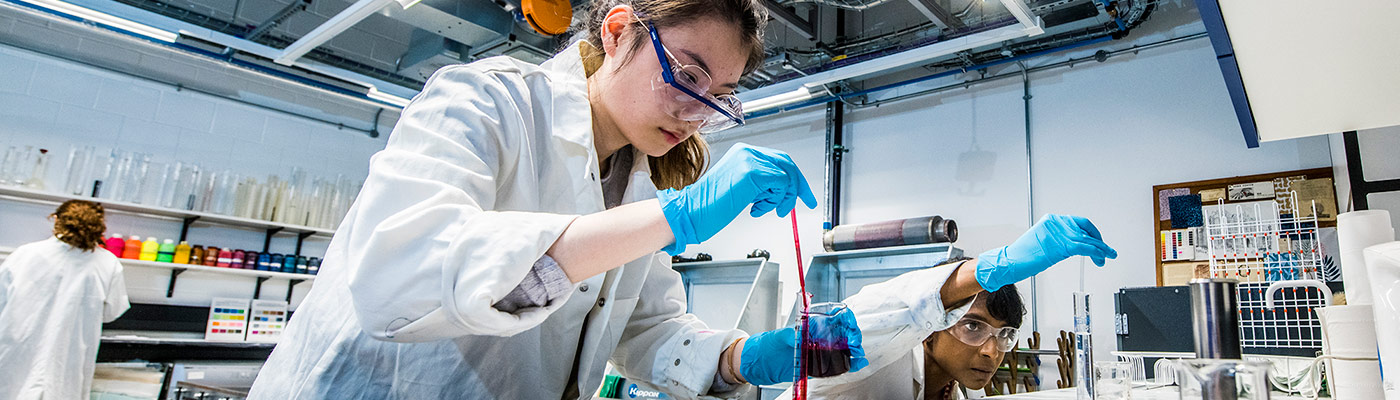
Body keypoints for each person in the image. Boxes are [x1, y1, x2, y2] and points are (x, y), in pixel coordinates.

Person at [249, 0, 867, 398]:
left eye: (719, 96)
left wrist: (747, 357)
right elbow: (399, 276)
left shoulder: (638, 177)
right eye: (687, 74)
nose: (694, 110)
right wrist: (672, 219)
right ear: (620, 31)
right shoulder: (485, 102)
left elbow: (645, 328)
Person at [788, 215, 1116, 399]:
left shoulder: (959, 390)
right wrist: (986, 269)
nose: (992, 351)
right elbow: (879, 312)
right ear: (929, 328)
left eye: (1004, 334)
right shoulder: (872, 359)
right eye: (973, 326)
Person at [0, 200, 130, 400]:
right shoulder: (107, 263)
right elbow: (111, 313)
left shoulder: (26, 254)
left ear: (57, 220)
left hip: (17, 353)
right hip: (68, 357)